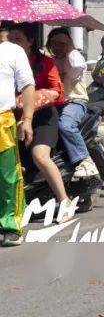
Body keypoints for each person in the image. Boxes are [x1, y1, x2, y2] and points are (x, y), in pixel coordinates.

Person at [8, 24, 70, 211]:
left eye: (18, 39)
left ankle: (64, 200)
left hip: (43, 117)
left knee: (39, 156)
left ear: (30, 41)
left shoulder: (44, 62)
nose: (12, 43)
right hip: (12, 117)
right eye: (10, 39)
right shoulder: (5, 62)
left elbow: (58, 92)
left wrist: (29, 99)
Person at [46, 28, 97, 179]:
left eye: (62, 43)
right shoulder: (49, 61)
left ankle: (85, 160)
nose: (58, 46)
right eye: (54, 43)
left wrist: (71, 49)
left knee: (65, 125)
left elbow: (76, 68)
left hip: (74, 101)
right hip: (54, 104)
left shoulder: (75, 58)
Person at [0, 36, 34, 247]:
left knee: (8, 176)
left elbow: (28, 86)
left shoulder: (13, 51)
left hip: (2, 121)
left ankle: (10, 225)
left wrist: (27, 119)